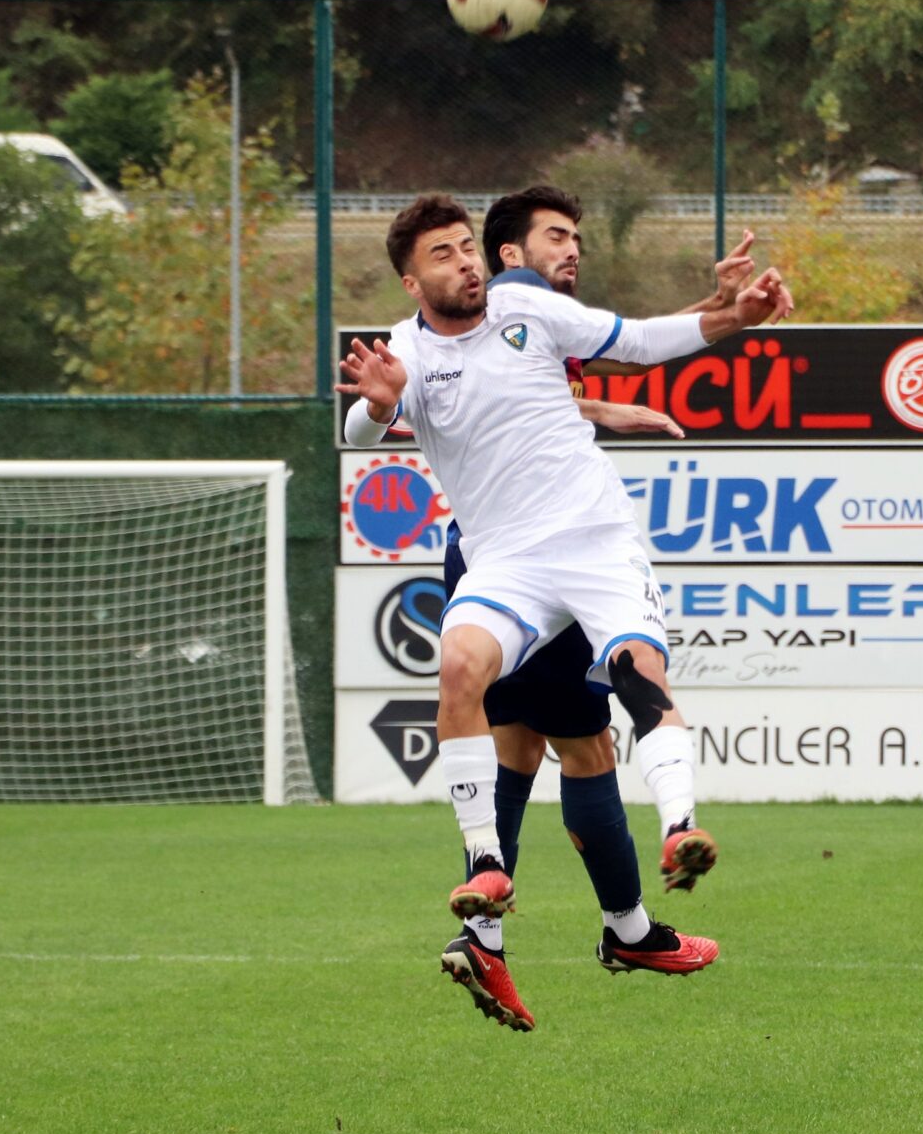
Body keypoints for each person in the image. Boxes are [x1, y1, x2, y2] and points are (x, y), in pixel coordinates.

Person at [336, 194, 788, 1034]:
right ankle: (498, 887)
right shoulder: (401, 352)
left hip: (592, 542)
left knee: (616, 695)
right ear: (411, 278)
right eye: (445, 254)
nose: (465, 262)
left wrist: (734, 316)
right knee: (470, 676)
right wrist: (373, 404)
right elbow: (365, 429)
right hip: (502, 557)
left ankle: (675, 834)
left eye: (468, 248)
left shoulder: (525, 307)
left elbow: (640, 341)